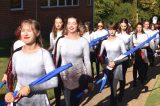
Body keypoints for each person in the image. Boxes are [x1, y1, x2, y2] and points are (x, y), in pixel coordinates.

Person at [5, 19, 58, 106]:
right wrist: (9, 91)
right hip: (19, 101)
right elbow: (11, 75)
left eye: (29, 30)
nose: (25, 34)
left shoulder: (44, 54)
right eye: (23, 30)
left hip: (39, 102)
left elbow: (54, 81)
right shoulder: (16, 54)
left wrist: (31, 88)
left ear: (37, 33)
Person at [56, 16, 93, 106]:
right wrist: (53, 74)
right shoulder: (61, 41)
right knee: (68, 103)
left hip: (79, 77)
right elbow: (56, 60)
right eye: (69, 23)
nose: (71, 25)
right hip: (64, 76)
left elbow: (87, 61)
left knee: (75, 103)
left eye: (74, 23)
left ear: (78, 25)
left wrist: (90, 80)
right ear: (66, 25)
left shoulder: (83, 42)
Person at [99, 23, 127, 106]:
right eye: (110, 29)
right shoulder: (104, 42)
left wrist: (115, 62)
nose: (112, 31)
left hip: (118, 66)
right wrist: (103, 63)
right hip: (108, 67)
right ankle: (114, 100)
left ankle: (113, 103)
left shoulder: (120, 41)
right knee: (112, 86)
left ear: (116, 30)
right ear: (108, 30)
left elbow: (126, 56)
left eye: (113, 29)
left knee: (113, 87)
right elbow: (100, 55)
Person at [48, 16, 64, 106]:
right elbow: (52, 46)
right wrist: (46, 49)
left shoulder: (65, 33)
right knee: (56, 79)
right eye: (56, 22)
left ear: (62, 23)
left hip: (64, 57)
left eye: (60, 22)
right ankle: (57, 101)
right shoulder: (52, 34)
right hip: (55, 57)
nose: (58, 24)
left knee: (64, 79)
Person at [116, 18, 132, 102]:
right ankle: (115, 91)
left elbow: (131, 47)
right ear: (119, 25)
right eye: (122, 26)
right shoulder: (116, 34)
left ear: (127, 26)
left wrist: (131, 57)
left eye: (125, 26)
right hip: (116, 57)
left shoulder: (130, 35)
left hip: (125, 58)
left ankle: (121, 94)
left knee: (122, 75)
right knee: (116, 75)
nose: (123, 27)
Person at [132, 23, 149, 87]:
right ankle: (134, 81)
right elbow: (132, 44)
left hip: (143, 51)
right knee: (135, 66)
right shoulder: (133, 35)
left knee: (143, 65)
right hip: (135, 52)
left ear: (142, 28)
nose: (139, 29)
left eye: (140, 27)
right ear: (136, 28)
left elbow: (147, 44)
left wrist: (140, 46)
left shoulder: (145, 35)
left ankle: (142, 78)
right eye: (138, 27)